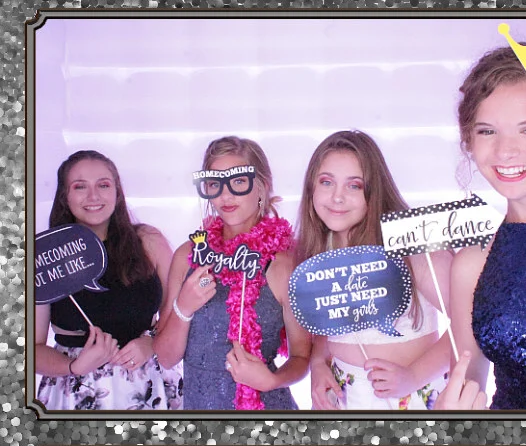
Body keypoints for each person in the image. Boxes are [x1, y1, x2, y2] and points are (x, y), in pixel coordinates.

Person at [436, 45, 526, 412]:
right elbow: (465, 388)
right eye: (487, 131)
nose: (505, 151)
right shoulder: (472, 265)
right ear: (469, 139)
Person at [294, 130, 452, 410]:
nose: (337, 197)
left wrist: (414, 376)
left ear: (374, 190)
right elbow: (332, 318)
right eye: (326, 182)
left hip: (413, 399)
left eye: (354, 185)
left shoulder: (410, 247)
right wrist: (318, 363)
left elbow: (475, 326)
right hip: (344, 400)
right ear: (311, 188)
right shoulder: (320, 251)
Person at [153, 136, 311, 410]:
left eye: (238, 181)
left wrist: (271, 380)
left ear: (262, 186)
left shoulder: (282, 264)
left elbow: (302, 357)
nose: (225, 195)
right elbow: (166, 358)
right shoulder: (188, 256)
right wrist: (183, 307)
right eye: (215, 183)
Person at [36, 150, 182, 411]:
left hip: (151, 384)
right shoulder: (47, 257)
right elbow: (30, 350)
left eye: (103, 185)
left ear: (117, 192)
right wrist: (74, 366)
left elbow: (178, 313)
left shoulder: (149, 241)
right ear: (64, 196)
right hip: (78, 393)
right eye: (80, 186)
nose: (93, 196)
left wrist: (152, 342)